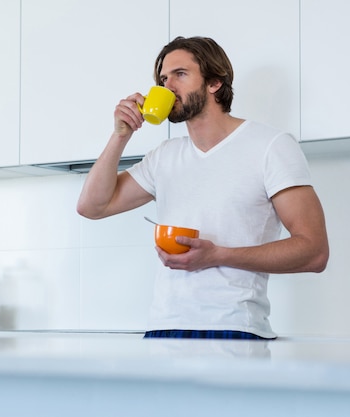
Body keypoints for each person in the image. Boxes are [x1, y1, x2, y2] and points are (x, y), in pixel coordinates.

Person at [76, 36, 329, 340]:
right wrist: (120, 135)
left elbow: (314, 252)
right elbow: (92, 207)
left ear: (214, 83)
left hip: (235, 329)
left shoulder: (271, 146)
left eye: (180, 75)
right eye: (163, 79)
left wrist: (217, 255)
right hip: (163, 329)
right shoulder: (165, 156)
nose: (167, 87)